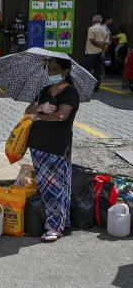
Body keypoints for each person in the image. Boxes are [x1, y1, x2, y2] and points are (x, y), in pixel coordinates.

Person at [25, 57, 80, 243]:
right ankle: (61, 222)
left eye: (56, 69)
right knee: (50, 187)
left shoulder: (70, 92)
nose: (51, 73)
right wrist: (40, 107)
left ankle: (54, 227)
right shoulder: (45, 91)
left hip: (56, 146)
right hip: (38, 145)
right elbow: (28, 109)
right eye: (49, 69)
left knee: (55, 189)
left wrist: (39, 117)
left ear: (67, 71)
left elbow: (62, 116)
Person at [82, 15, 109, 92]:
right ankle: (96, 87)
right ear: (100, 21)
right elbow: (107, 43)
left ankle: (84, 86)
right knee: (97, 70)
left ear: (93, 21)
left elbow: (92, 40)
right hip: (99, 53)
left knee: (86, 69)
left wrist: (100, 46)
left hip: (90, 52)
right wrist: (103, 51)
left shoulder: (91, 29)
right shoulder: (105, 30)